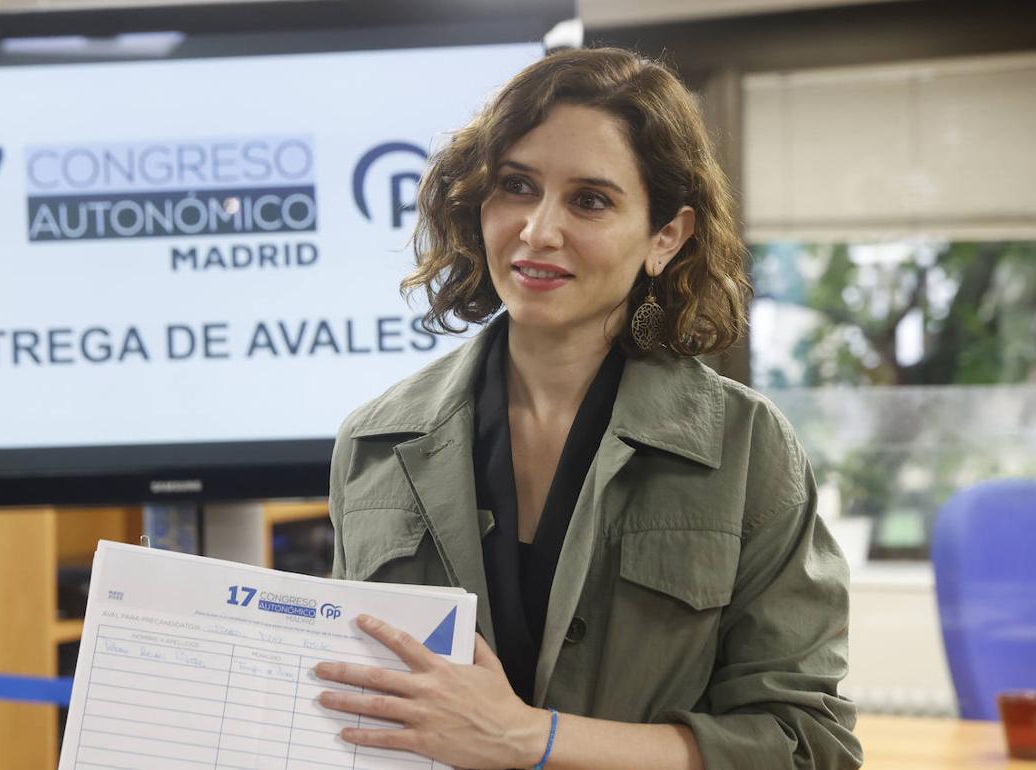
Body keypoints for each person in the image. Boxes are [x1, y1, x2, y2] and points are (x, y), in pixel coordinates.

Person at [313, 47, 863, 770]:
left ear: (666, 237)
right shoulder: (374, 442)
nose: (539, 231)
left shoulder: (747, 448)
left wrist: (530, 738)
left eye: (590, 200)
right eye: (516, 186)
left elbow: (808, 747)